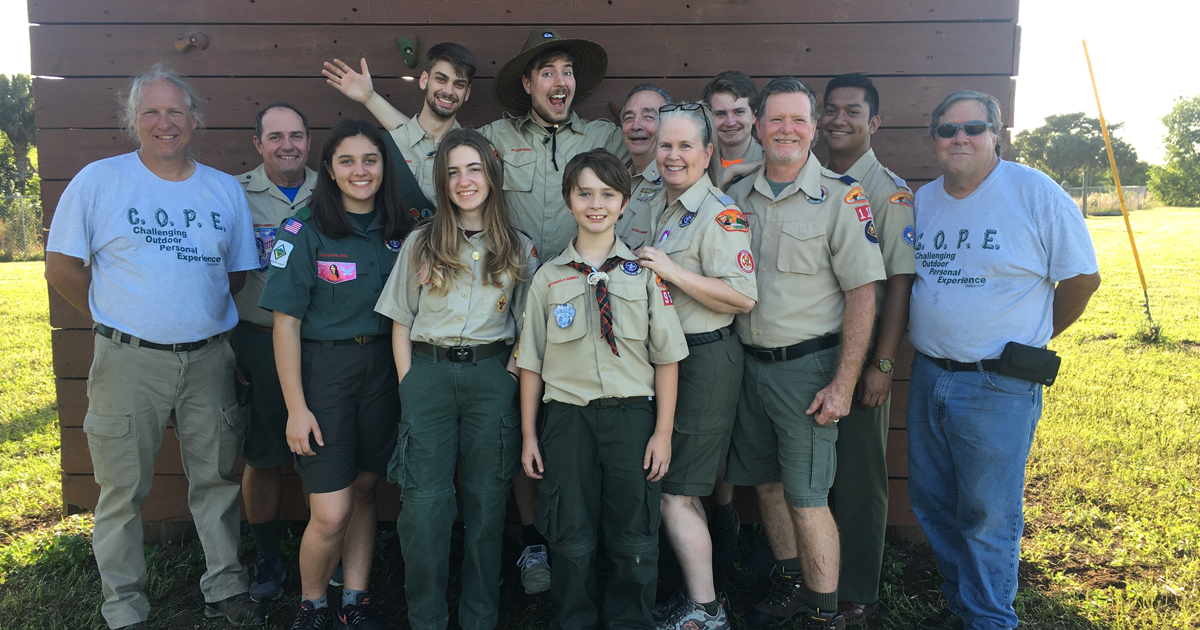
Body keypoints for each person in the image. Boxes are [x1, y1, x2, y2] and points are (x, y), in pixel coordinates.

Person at [43, 64, 265, 629]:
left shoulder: (221, 189)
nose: (164, 123)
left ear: (194, 120)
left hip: (209, 358)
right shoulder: (99, 181)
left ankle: (225, 586)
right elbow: (62, 266)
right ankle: (124, 605)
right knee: (121, 489)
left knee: (215, 479)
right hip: (126, 360)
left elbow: (235, 276)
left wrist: (189, 313)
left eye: (175, 112)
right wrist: (114, 317)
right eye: (151, 112)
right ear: (132, 120)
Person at [907, 91, 1100, 630]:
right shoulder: (924, 201)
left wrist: (1035, 337)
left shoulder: (1034, 193)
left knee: (989, 514)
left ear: (997, 134)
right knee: (934, 502)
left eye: (973, 127)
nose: (960, 137)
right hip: (930, 375)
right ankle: (961, 608)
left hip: (998, 385)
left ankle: (990, 620)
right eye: (947, 129)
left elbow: (1083, 279)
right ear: (934, 140)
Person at [725, 77, 887, 630]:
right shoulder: (736, 196)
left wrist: (844, 382)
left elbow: (863, 292)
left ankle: (825, 616)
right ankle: (793, 582)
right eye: (775, 120)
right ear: (757, 127)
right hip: (748, 368)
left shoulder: (842, 198)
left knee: (807, 495)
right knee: (767, 484)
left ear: (813, 128)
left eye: (798, 120)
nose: (786, 130)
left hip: (807, 370)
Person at [374, 128, 540, 630]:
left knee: (489, 503)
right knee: (424, 507)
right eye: (452, 172)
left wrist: (509, 375)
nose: (464, 181)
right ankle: (427, 617)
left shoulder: (519, 246)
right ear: (441, 182)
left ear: (491, 174)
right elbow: (401, 318)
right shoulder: (423, 242)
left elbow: (529, 326)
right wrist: (408, 382)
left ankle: (479, 617)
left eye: (473, 169)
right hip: (429, 374)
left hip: (492, 377)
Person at [518, 149, 688, 630]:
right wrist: (531, 435)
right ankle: (573, 619)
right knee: (569, 530)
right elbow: (530, 362)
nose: (596, 204)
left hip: (634, 418)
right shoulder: (548, 280)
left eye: (607, 194)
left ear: (624, 202)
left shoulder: (646, 274)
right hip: (568, 420)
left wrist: (663, 433)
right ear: (569, 201)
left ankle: (631, 621)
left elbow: (667, 357)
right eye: (584, 193)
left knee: (634, 531)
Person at [258, 119, 414, 630]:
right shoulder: (304, 228)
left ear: (384, 166)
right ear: (328, 168)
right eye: (347, 160)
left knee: (366, 489)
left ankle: (355, 601)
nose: (360, 170)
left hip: (383, 371)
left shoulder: (401, 229)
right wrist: (296, 408)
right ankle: (312, 607)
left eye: (370, 159)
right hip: (324, 371)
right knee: (330, 509)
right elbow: (285, 326)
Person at [633, 102, 757, 630]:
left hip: (704, 359)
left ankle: (706, 612)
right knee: (672, 487)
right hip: (667, 360)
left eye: (686, 146)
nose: (673, 155)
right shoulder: (661, 205)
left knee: (676, 491)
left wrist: (672, 271)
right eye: (666, 145)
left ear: (709, 153)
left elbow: (743, 296)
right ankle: (696, 598)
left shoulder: (720, 213)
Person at [818, 73, 916, 624]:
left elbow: (898, 286)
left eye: (852, 111)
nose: (838, 120)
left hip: (859, 358)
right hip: (810, 351)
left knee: (857, 477)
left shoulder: (888, 191)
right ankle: (816, 579)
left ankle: (856, 590)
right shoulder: (809, 181)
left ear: (874, 122)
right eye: (830, 110)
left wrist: (882, 364)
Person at [231, 102, 319, 603]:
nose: (288, 145)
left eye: (297, 135)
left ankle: (319, 551)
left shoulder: (329, 190)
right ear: (258, 143)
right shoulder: (234, 195)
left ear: (309, 142)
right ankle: (267, 553)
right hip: (259, 341)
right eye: (276, 136)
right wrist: (230, 349)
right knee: (263, 454)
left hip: (318, 345)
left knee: (322, 456)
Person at [324, 42, 477, 216]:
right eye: (441, 79)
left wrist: (370, 98)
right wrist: (369, 98)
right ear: (424, 80)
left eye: (459, 84)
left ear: (467, 92)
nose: (448, 91)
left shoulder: (476, 148)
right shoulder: (387, 144)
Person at [615, 84, 671, 249]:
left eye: (648, 117)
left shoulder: (673, 185)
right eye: (629, 118)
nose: (636, 126)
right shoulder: (614, 180)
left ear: (667, 126)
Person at [700, 71, 762, 182]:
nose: (730, 122)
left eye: (738, 112)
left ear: (754, 115)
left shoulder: (771, 164)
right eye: (720, 114)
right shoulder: (697, 164)